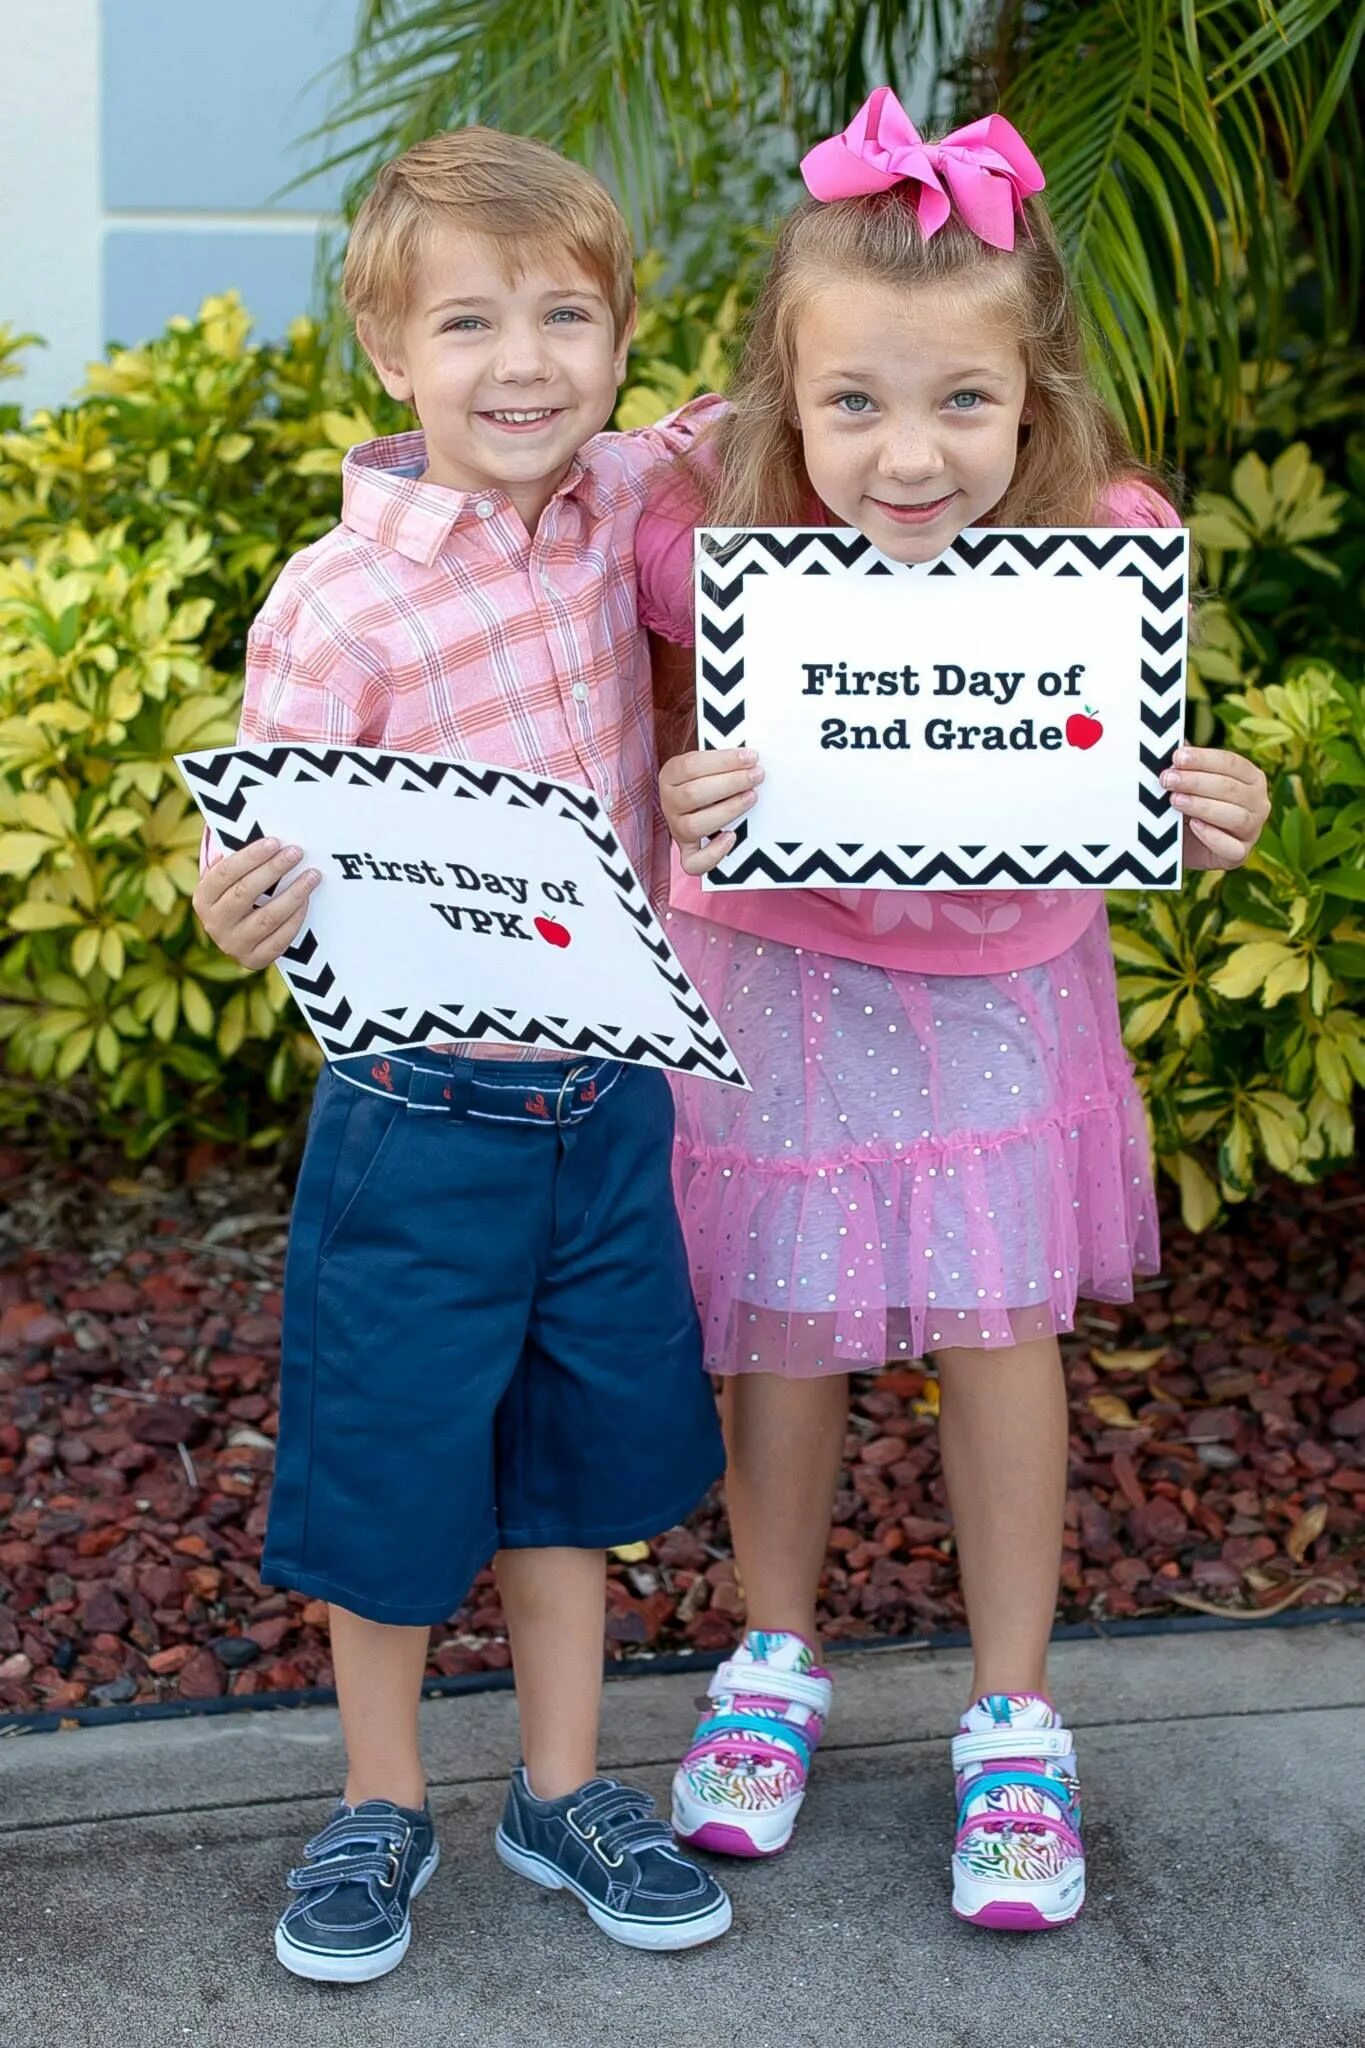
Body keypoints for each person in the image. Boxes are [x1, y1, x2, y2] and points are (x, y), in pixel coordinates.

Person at [636, 89, 1270, 1930]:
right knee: (790, 1333)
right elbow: (633, 603)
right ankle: (769, 1663)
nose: (904, 457)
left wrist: (1198, 803)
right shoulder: (714, 537)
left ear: (1033, 398)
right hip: (790, 981)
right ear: (782, 393)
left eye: (959, 404)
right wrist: (684, 777)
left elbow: (1124, 770)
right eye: (852, 403)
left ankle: (1013, 1715)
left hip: (997, 999)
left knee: (996, 1336)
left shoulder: (1107, 545)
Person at [192, 126, 734, 1980]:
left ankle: (560, 1790)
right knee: (397, 1462)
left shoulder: (615, 514)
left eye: (568, 317)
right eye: (471, 322)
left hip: (604, 1104)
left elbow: (797, 398)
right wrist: (232, 902)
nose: (524, 361)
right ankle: (376, 1805)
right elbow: (257, 838)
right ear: (387, 354)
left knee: (579, 1467)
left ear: (619, 337)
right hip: (417, 1117)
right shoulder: (335, 603)